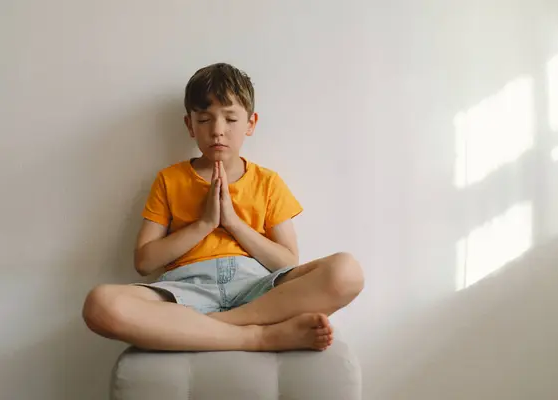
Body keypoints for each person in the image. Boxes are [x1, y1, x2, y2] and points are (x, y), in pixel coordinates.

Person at [82, 63, 364, 352]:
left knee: (348, 271)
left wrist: (233, 223)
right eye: (205, 120)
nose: (217, 131)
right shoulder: (169, 179)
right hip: (186, 290)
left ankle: (219, 324)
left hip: (257, 290)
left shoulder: (268, 181)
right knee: (100, 304)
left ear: (250, 123)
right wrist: (204, 223)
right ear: (189, 125)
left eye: (230, 119)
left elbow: (287, 263)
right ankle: (258, 337)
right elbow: (144, 263)